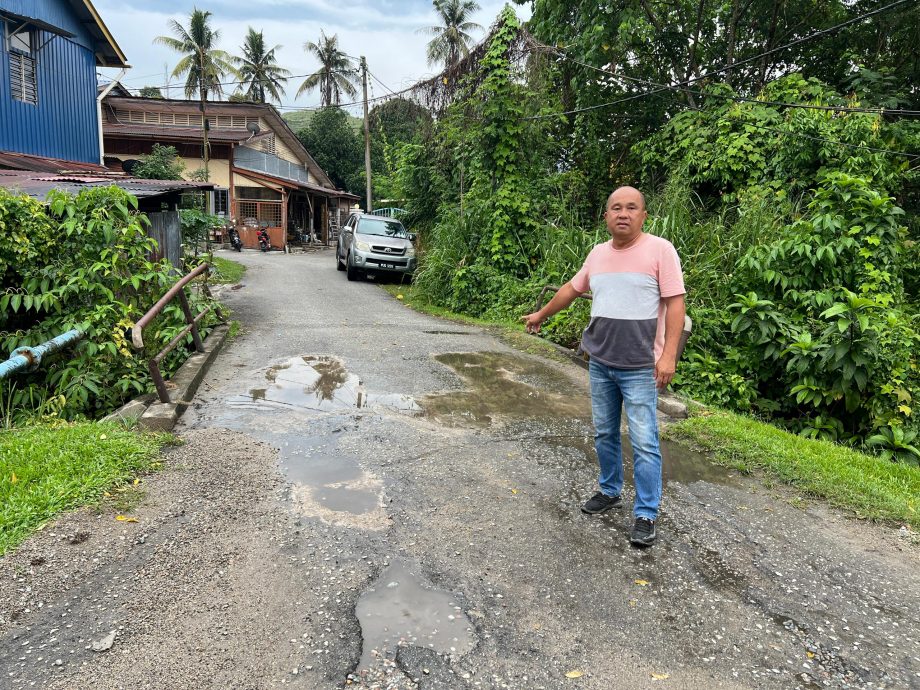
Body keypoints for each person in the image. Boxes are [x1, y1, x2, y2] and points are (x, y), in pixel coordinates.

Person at [522, 186, 685, 546]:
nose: (623, 213)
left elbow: (676, 304)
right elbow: (570, 289)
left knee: (644, 441)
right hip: (600, 363)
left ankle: (645, 513)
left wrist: (669, 355)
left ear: (644, 215)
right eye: (615, 208)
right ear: (606, 217)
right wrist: (541, 314)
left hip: (642, 366)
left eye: (631, 208)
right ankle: (610, 490)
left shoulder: (660, 250)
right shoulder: (597, 254)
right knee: (605, 433)